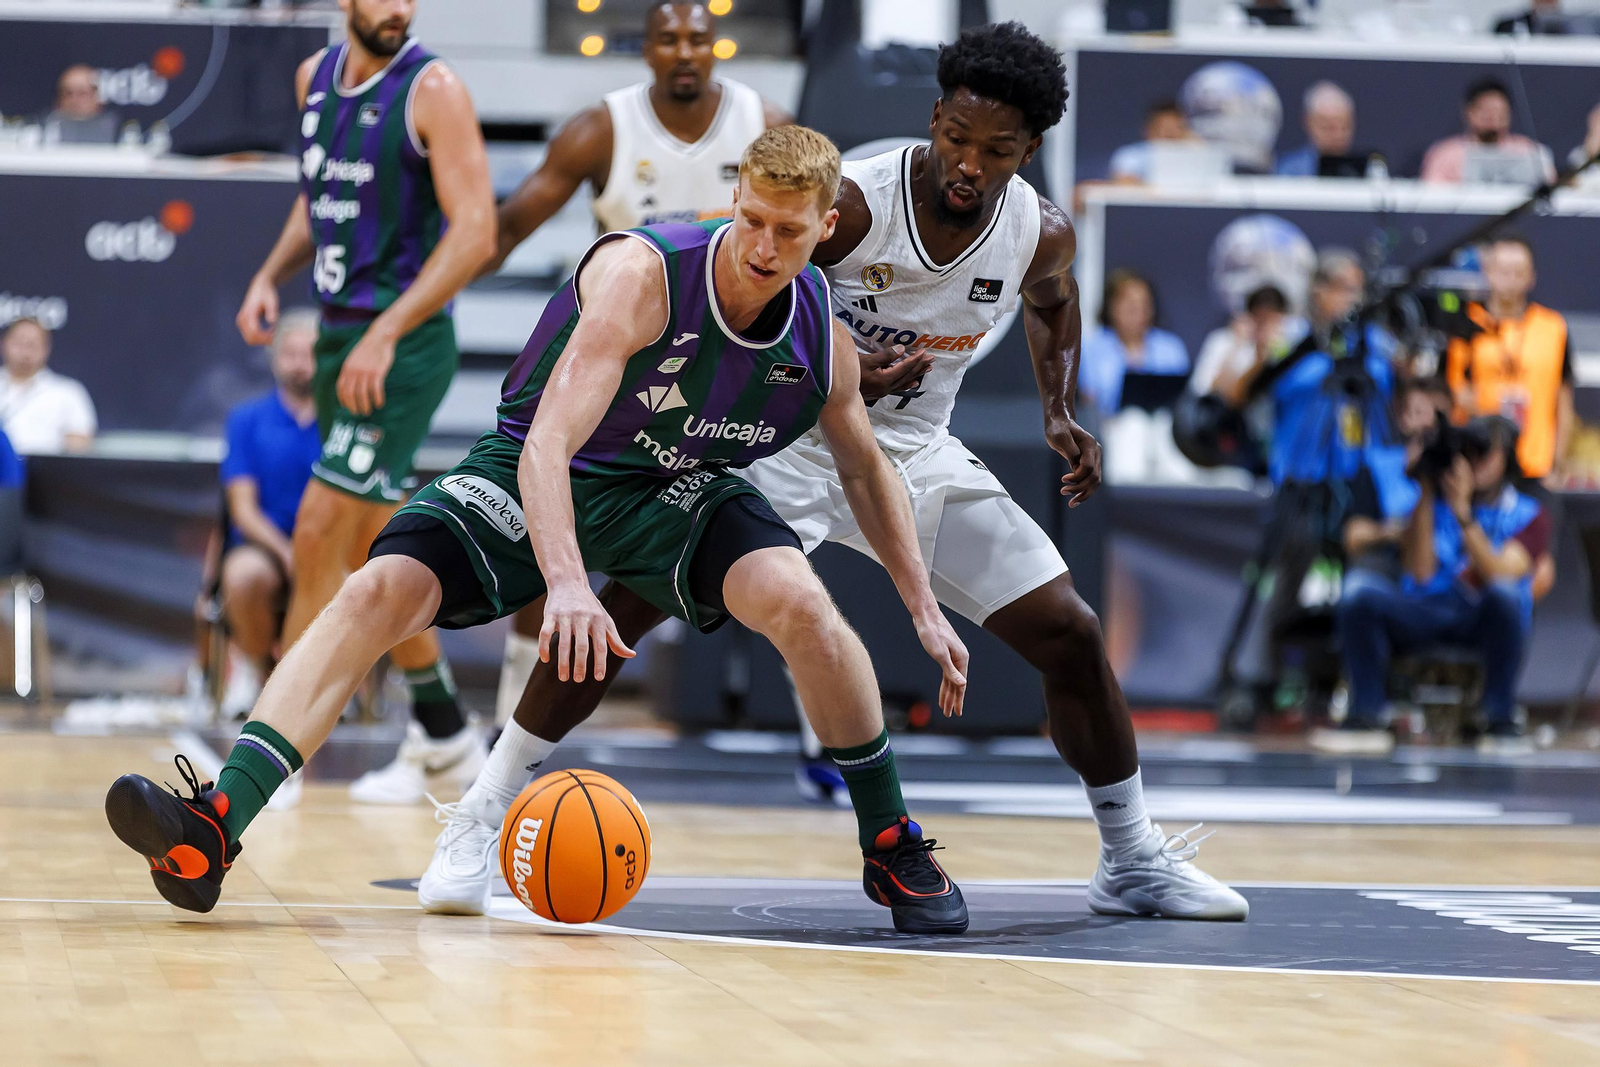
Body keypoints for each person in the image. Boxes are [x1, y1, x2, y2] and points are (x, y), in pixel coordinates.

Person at [439, 23, 1248, 924]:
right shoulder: (858, 201)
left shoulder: (1038, 233)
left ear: (1030, 152)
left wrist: (1059, 410)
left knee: (1068, 629)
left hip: (911, 450)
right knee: (626, 603)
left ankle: (1133, 856)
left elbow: (1055, 306)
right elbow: (740, 270)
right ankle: (478, 811)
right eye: (957, 138)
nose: (970, 163)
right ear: (935, 118)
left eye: (997, 150)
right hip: (781, 433)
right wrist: (842, 351)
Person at [106, 126, 977, 936]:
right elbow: (549, 444)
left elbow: (866, 470)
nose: (761, 247)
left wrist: (923, 607)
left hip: (669, 486)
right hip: (532, 465)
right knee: (376, 590)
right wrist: (565, 583)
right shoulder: (646, 277)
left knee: (803, 604)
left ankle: (891, 841)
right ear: (734, 201)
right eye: (750, 219)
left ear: (825, 227)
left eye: (787, 232)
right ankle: (216, 827)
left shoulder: (822, 334)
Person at [484, 0, 792, 727]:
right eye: (668, 38)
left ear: (717, 46)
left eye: (697, 38)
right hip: (619, 362)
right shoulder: (602, 128)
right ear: (646, 48)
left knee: (784, 538)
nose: (684, 51)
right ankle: (509, 715)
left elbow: (821, 236)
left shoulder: (767, 124)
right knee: (545, 524)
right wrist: (431, 290)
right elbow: (505, 226)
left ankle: (814, 735)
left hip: (726, 370)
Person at [233, 0, 496, 805]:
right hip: (347, 338)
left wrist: (390, 328)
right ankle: (446, 730)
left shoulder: (434, 87)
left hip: (403, 348)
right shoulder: (315, 78)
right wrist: (267, 273)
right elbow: (318, 199)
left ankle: (271, 755)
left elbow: (477, 231)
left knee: (317, 532)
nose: (401, 8)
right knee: (369, 548)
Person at [1334, 417, 1547, 756]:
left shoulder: (1527, 513)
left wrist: (1463, 513)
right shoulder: (1432, 503)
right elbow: (1419, 574)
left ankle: (1499, 718)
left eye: (1483, 453)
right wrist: (1427, 489)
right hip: (1426, 608)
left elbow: (1500, 575)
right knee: (1359, 590)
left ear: (1505, 456)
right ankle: (1367, 713)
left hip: (1480, 615)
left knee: (1505, 596)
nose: (1474, 462)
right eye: (1467, 453)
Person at [211, 309, 323, 720]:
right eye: (291, 353)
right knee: (243, 576)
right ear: (276, 359)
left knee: (359, 581)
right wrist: (286, 551)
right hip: (265, 546)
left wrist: (314, 554)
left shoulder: (345, 420)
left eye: (310, 353)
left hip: (329, 549)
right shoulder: (246, 420)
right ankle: (255, 671)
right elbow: (242, 509)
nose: (300, 362)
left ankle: (329, 687)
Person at [1447, 234, 1572, 481]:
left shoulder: (1553, 328)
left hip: (1535, 465)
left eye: (1518, 272)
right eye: (1503, 270)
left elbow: (1564, 399)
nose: (1510, 280)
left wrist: (1559, 462)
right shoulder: (1465, 325)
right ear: (1487, 271)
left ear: (1532, 277)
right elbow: (1451, 391)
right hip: (1478, 465)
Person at [1080, 270, 1190, 414]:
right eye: (1131, 306)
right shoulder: (1091, 348)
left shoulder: (1171, 346)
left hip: (1164, 427)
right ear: (1111, 307)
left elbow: (1184, 399)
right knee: (1133, 424)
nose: (1139, 313)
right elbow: (1089, 401)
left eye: (1145, 306)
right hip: (1109, 428)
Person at [1420, 78, 1552, 184]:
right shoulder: (1445, 154)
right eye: (1486, 110)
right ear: (1468, 112)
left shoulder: (1530, 152)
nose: (1493, 117)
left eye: (1499, 111)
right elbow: (1432, 198)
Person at [0, 318, 96, 455]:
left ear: (46, 348)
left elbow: (79, 447)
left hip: (48, 472)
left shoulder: (68, 392)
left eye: (33, 345)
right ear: (5, 344)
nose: (26, 353)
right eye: (20, 344)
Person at [1189, 284, 1294, 399]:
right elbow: (1202, 388)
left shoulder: (1289, 345)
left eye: (1272, 321)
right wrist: (1236, 347)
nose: (1267, 328)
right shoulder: (1223, 341)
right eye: (1261, 320)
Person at [1274, 82, 1356, 177]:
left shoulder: (1370, 171)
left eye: (1345, 127)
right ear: (1308, 122)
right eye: (1329, 128)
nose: (1338, 135)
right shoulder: (1288, 171)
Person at [1107, 100, 1193, 183]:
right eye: (1164, 128)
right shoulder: (1130, 155)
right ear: (1148, 129)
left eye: (1176, 128)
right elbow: (1124, 184)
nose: (1169, 134)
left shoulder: (1195, 154)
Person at [43, 64, 118, 145]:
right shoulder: (45, 129)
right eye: (68, 93)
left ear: (97, 96)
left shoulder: (116, 130)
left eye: (82, 93)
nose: (74, 100)